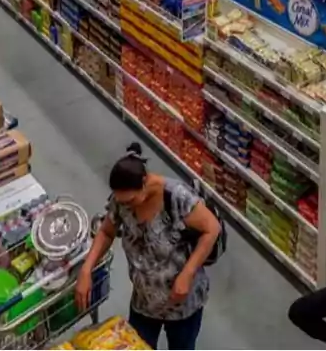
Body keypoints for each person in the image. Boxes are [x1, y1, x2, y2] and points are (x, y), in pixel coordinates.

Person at [75, 143, 220, 351]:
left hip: (181, 304)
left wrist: (187, 273)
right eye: (122, 202)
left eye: (131, 200)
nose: (127, 206)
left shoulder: (176, 197)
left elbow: (212, 229)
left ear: (144, 182)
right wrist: (86, 270)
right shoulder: (121, 200)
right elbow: (107, 231)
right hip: (143, 302)